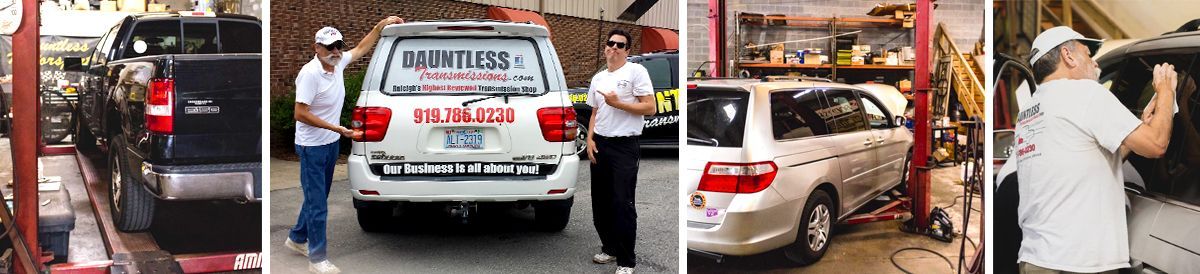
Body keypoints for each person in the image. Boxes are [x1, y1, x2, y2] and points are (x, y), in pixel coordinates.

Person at [1014, 26, 1177, 274]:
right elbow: (1156, 144)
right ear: (1068, 56)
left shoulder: (1029, 111)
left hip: (1036, 259)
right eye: (1088, 54)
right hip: (1079, 263)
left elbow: (1089, 162)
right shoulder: (1084, 92)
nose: (1094, 63)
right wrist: (1166, 90)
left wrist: (1137, 130)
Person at [284, 16, 404, 274]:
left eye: (338, 45)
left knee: (318, 198)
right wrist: (336, 128)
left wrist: (378, 26)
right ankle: (317, 259)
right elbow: (300, 113)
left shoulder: (337, 65)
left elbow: (361, 49)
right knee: (318, 204)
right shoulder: (310, 74)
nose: (336, 51)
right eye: (329, 47)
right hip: (311, 147)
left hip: (330, 144)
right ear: (317, 48)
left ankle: (296, 238)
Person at [585, 29, 656, 274]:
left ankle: (626, 261)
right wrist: (590, 139)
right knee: (601, 203)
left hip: (625, 146)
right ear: (605, 47)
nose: (614, 47)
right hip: (601, 144)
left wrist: (618, 104)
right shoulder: (598, 78)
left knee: (622, 203)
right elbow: (594, 112)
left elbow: (650, 107)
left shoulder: (636, 72)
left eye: (620, 45)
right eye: (610, 43)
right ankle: (610, 248)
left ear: (627, 50)